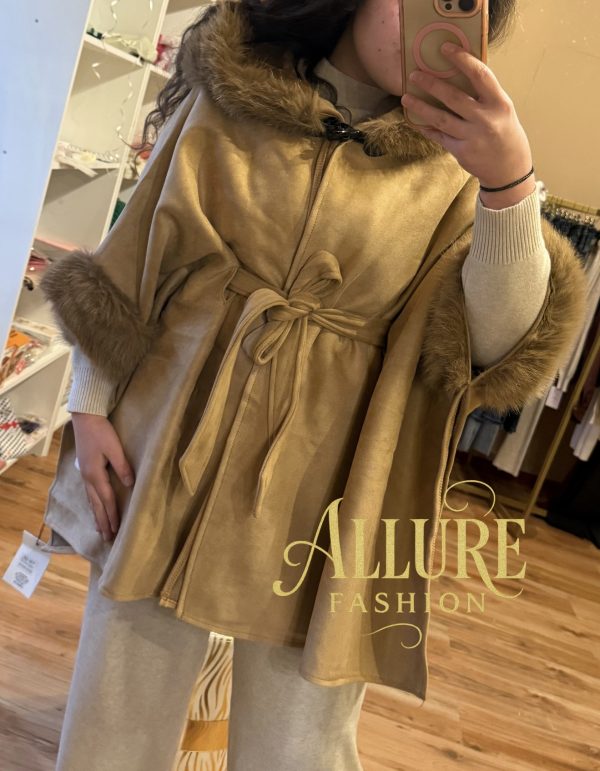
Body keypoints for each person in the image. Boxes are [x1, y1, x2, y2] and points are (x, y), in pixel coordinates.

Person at [39, 1, 587, 769]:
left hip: (337, 466)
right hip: (172, 433)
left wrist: (509, 185)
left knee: (301, 734)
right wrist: (90, 406)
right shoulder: (232, 91)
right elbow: (138, 258)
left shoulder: (461, 159)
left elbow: (494, 345)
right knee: (120, 698)